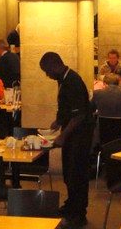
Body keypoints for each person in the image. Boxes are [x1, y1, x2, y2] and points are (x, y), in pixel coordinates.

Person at [39, 52, 94, 228]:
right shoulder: (63, 79)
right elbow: (67, 108)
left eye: (47, 71)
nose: (47, 75)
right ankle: (71, 205)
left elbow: (79, 115)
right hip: (71, 133)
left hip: (80, 135)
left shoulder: (73, 81)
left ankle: (78, 213)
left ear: (55, 65)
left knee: (77, 174)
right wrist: (58, 122)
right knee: (69, 173)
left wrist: (63, 136)